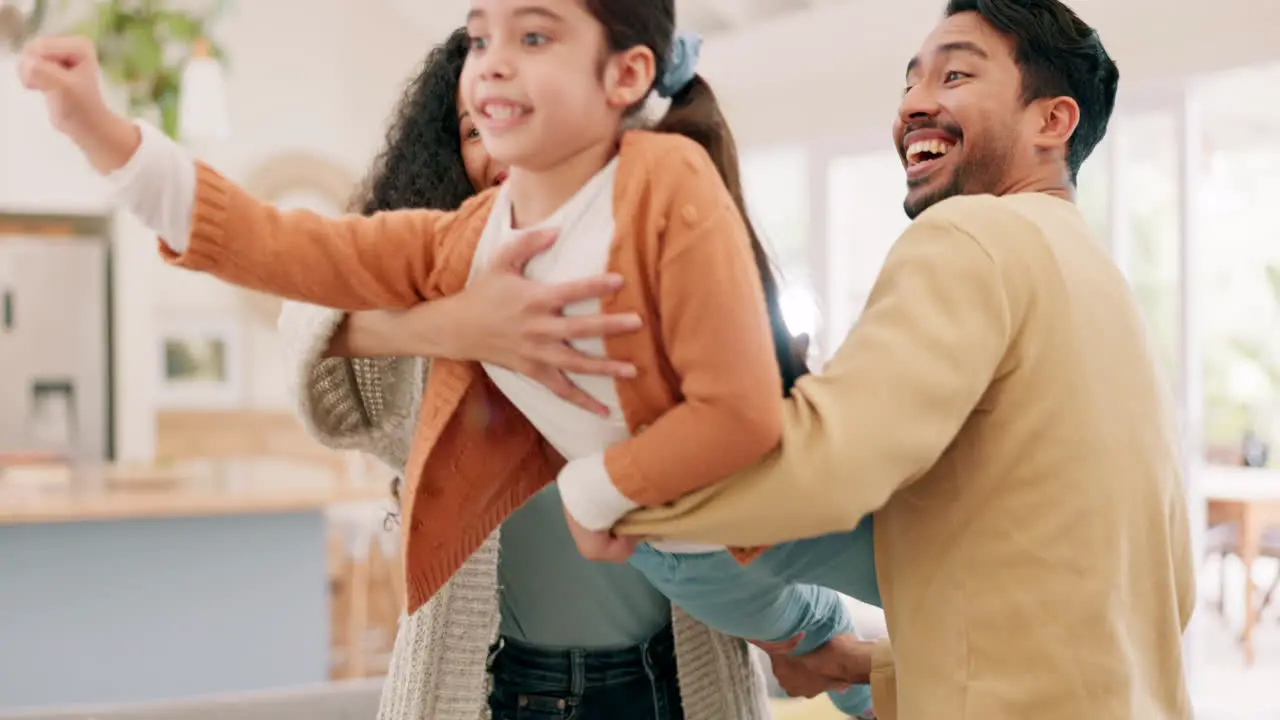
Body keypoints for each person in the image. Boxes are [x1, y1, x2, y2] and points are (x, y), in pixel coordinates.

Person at [18, 1, 877, 717]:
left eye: (532, 37)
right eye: (479, 39)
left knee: (883, 592)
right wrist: (108, 138)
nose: (494, 62)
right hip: (501, 683)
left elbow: (742, 415)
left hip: (676, 664)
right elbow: (282, 246)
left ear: (626, 77)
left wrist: (595, 488)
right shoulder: (462, 246)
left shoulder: (666, 188)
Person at [609, 1, 1196, 718]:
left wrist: (619, 499)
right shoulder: (1102, 283)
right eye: (910, 82)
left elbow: (830, 466)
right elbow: (1151, 591)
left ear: (1052, 121)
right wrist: (860, 665)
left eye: (954, 75)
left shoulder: (969, 234)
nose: (915, 103)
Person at [276, 25, 775, 720]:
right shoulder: (439, 278)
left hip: (678, 681)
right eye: (478, 128)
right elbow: (306, 315)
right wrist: (447, 326)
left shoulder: (667, 272)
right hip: (495, 690)